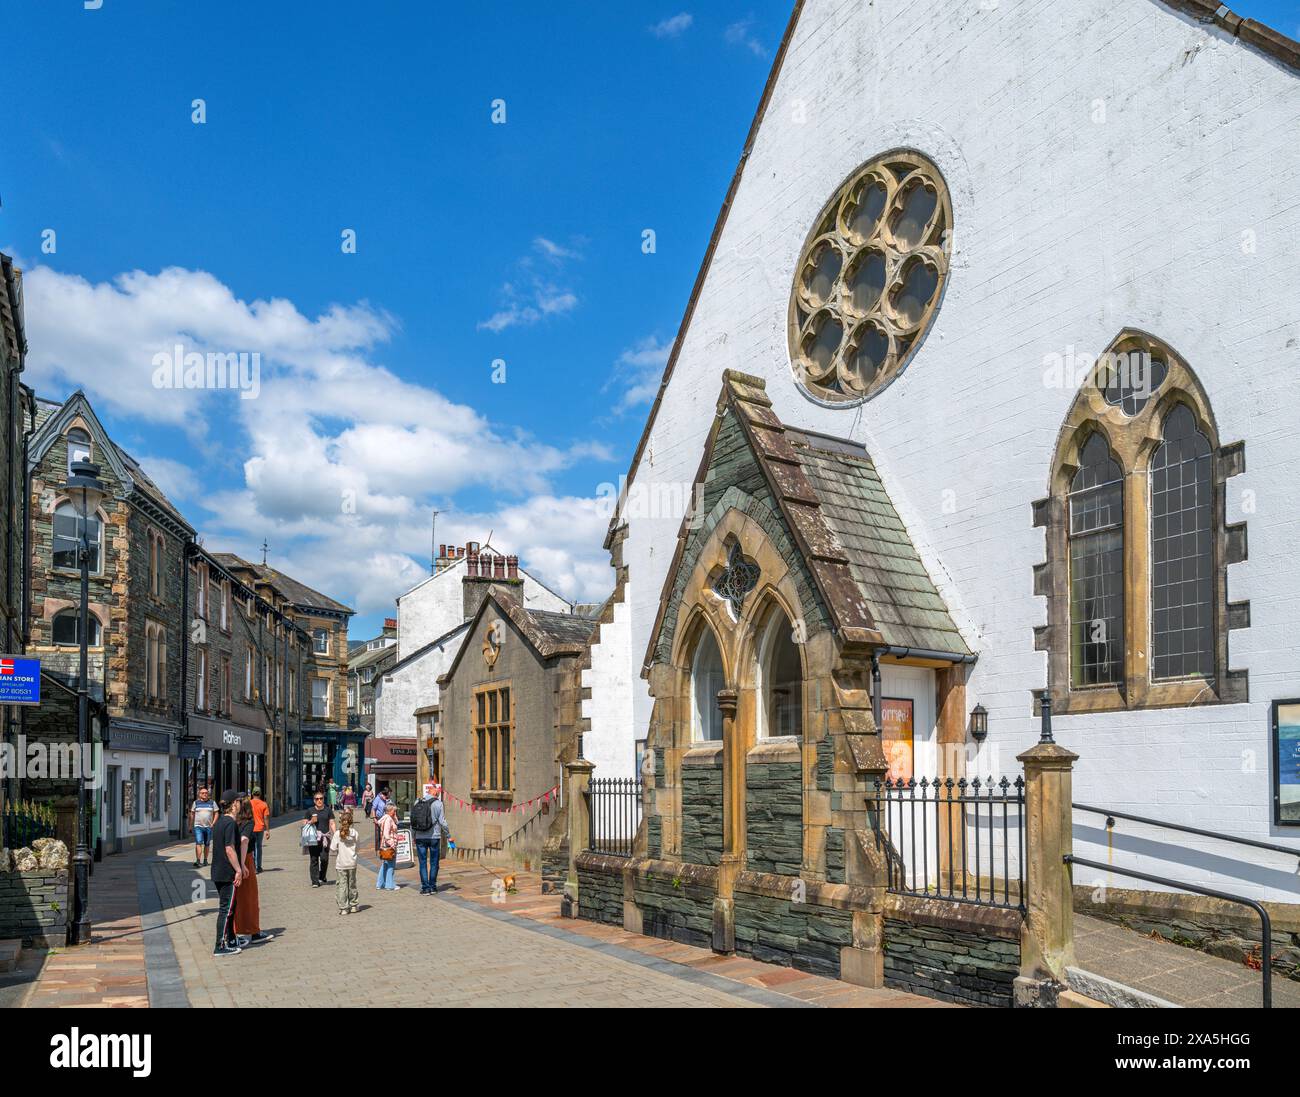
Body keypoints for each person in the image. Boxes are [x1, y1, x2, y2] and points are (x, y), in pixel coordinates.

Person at [233, 794, 271, 946]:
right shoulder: (248, 823)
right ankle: (252, 931)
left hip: (233, 860)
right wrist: (242, 866)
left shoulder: (233, 821)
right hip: (245, 860)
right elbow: (244, 841)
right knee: (250, 897)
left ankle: (236, 930)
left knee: (236, 898)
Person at [211, 790, 245, 957]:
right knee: (226, 909)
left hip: (217, 870)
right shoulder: (230, 824)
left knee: (231, 906)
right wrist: (238, 869)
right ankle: (220, 945)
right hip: (227, 872)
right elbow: (229, 849)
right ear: (233, 805)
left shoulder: (219, 822)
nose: (240, 805)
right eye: (238, 802)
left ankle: (231, 939)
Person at [410, 782, 449, 895]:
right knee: (434, 862)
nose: (438, 792)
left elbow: (413, 821)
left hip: (420, 837)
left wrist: (413, 836)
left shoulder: (418, 801)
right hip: (434, 837)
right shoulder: (438, 803)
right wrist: (448, 836)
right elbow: (443, 822)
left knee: (422, 863)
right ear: (434, 791)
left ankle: (425, 888)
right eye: (437, 791)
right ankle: (432, 886)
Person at [304, 791, 336, 888]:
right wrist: (310, 821)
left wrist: (336, 834)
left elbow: (332, 823)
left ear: (323, 799)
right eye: (317, 799)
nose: (319, 800)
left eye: (321, 798)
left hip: (325, 838)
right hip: (313, 838)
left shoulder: (328, 810)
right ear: (314, 800)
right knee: (314, 859)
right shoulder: (310, 811)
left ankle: (322, 876)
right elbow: (304, 824)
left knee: (324, 859)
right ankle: (315, 881)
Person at [331, 809, 361, 915]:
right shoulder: (355, 833)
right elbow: (357, 847)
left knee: (342, 885)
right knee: (352, 884)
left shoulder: (337, 834)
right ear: (351, 821)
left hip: (341, 864)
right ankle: (353, 905)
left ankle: (343, 907)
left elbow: (333, 848)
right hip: (352, 862)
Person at [190, 787, 218, 868]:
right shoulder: (196, 803)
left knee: (207, 843)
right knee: (199, 842)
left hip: (209, 826)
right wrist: (190, 825)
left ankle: (205, 860)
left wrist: (213, 823)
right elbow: (192, 814)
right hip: (198, 826)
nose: (205, 794)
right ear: (199, 794)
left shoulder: (212, 803)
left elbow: (216, 813)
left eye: (206, 793)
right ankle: (198, 860)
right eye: (203, 793)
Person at [376, 801, 400, 891]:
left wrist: (394, 817)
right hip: (389, 846)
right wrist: (392, 844)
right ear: (390, 811)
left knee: (385, 864)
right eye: (394, 811)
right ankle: (389, 885)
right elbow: (386, 834)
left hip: (384, 845)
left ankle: (380, 883)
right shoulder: (388, 819)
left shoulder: (387, 818)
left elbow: (396, 822)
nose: (395, 812)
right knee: (390, 865)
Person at [249, 786, 271, 872]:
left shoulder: (249, 803)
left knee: (252, 848)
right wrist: (267, 830)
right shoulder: (264, 804)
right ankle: (259, 866)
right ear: (260, 794)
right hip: (260, 828)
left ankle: (253, 867)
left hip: (251, 828)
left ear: (252, 794)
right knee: (258, 847)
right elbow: (266, 818)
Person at [371, 785, 389, 852]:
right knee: (378, 833)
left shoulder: (385, 799)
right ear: (383, 794)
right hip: (378, 818)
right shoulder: (377, 798)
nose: (387, 797)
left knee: (384, 832)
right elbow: (373, 809)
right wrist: (374, 818)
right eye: (387, 795)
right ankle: (378, 848)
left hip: (384, 818)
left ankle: (384, 845)